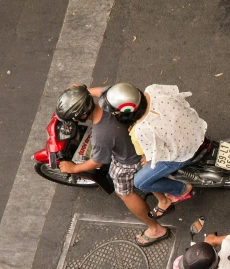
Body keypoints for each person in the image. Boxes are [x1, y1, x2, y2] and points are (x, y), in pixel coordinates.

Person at [55, 84, 169, 246]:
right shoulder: (111, 99)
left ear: (82, 115)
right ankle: (162, 198)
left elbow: (97, 162)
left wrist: (74, 168)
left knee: (124, 192)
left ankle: (155, 229)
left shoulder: (100, 136)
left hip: (131, 159)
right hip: (145, 140)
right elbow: (103, 90)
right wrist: (82, 93)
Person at [129, 84, 205, 219]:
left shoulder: (142, 129)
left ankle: (182, 190)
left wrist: (148, 159)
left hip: (182, 153)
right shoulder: (153, 90)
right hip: (196, 130)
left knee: (140, 182)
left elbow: (156, 154)